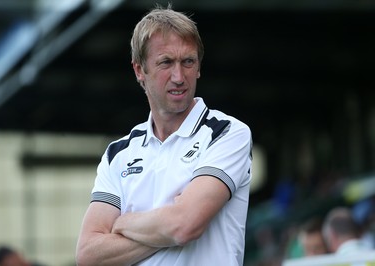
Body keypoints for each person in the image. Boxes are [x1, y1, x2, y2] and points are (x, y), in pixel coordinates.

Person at [76, 5, 253, 266]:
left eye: (188, 62)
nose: (179, 76)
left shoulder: (227, 133)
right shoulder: (118, 153)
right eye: (166, 62)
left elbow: (184, 226)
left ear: (199, 67)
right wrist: (167, 224)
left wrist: (123, 223)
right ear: (139, 71)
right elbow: (88, 254)